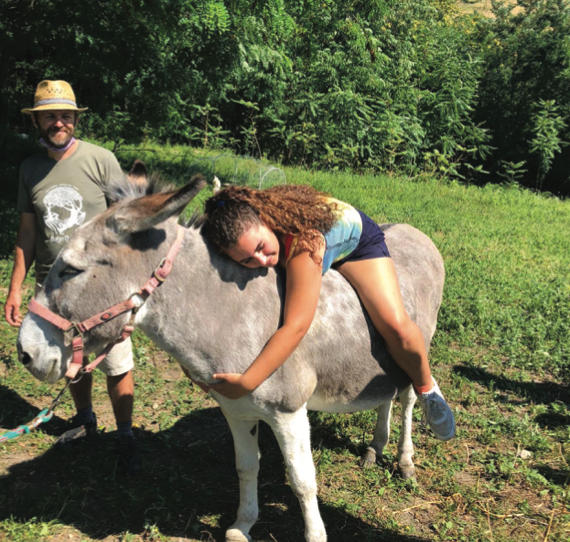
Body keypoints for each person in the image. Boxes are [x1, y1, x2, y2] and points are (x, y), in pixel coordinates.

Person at [200, 184, 456, 441]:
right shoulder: (262, 235)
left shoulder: (305, 245)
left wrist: (247, 382)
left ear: (265, 220)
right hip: (317, 240)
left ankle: (428, 390)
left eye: (260, 247)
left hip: (355, 246)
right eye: (247, 260)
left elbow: (296, 326)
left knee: (397, 327)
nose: (263, 261)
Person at [4, 80, 140, 473]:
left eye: (65, 115)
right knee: (70, 356)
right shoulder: (30, 168)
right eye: (50, 116)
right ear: (38, 121)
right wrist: (15, 289)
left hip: (102, 285)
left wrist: (129, 293)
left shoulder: (101, 160)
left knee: (116, 359)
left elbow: (127, 224)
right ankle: (84, 418)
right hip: (53, 285)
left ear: (76, 118)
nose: (58, 122)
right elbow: (27, 233)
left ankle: (126, 433)